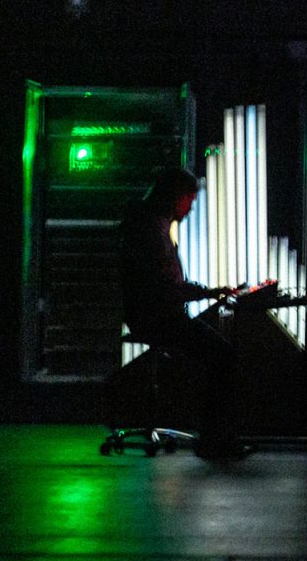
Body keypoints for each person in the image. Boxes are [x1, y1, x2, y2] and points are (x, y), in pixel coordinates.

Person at [118, 167, 245, 458]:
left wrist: (206, 292)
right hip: (160, 319)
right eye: (190, 199)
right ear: (176, 197)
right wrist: (208, 292)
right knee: (223, 356)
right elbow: (166, 287)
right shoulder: (153, 232)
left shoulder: (146, 225)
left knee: (214, 354)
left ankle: (213, 435)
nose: (190, 208)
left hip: (150, 316)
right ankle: (215, 440)